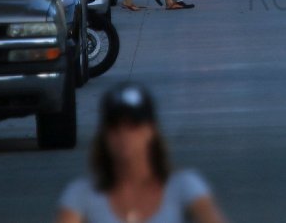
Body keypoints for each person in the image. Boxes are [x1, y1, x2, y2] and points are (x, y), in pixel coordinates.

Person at [56, 82, 228, 223]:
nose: (124, 136)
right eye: (115, 128)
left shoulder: (184, 187)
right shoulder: (82, 194)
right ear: (104, 135)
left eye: (134, 126)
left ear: (151, 131)